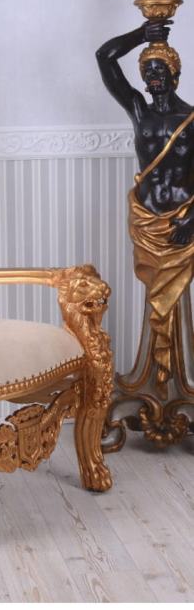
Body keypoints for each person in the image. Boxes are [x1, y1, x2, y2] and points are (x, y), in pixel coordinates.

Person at [96, 21, 194, 386]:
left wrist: (193, 220)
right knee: (155, 293)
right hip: (147, 219)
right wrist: (142, 35)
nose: (152, 76)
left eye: (159, 69)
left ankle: (178, 379)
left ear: (174, 73)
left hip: (181, 221)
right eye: (147, 71)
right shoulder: (139, 110)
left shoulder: (191, 119)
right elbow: (104, 57)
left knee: (173, 296)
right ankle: (152, 377)